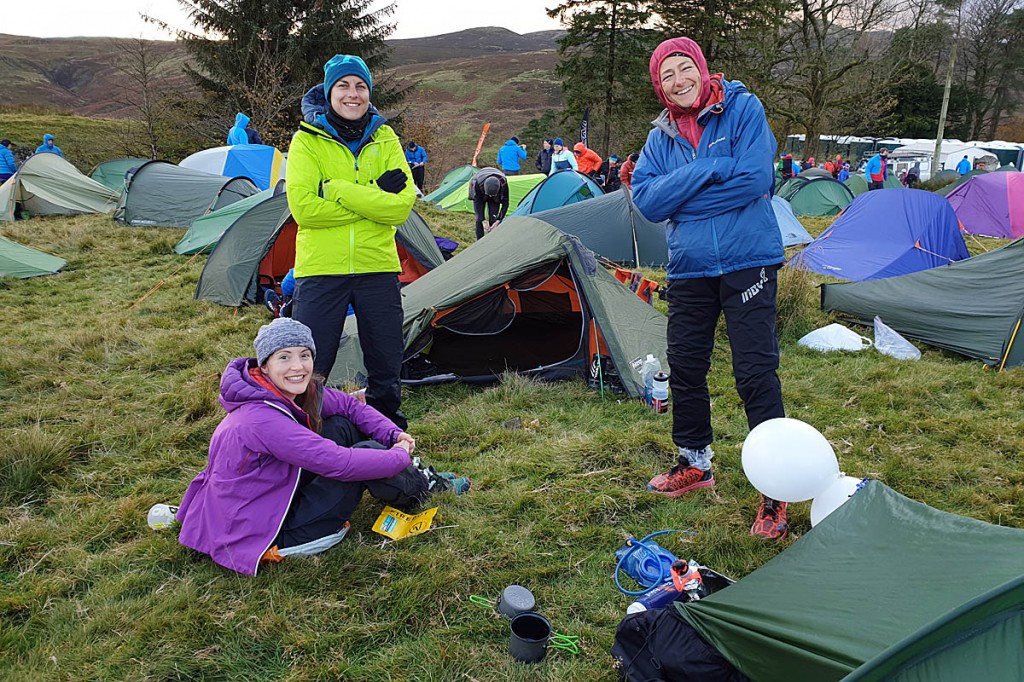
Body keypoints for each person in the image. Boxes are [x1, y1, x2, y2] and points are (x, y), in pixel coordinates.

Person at [631, 36, 789, 540]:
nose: (680, 82)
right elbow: (649, 203)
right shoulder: (660, 137)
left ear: (701, 68)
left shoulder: (742, 107)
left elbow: (754, 180)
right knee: (687, 366)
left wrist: (686, 200)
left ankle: (775, 485)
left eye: (685, 69)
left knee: (755, 372)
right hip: (690, 267)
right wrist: (706, 169)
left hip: (749, 261)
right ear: (661, 86)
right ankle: (695, 462)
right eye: (668, 76)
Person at [175, 318, 467, 576]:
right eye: (284, 357)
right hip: (266, 532)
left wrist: (393, 434)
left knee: (340, 425)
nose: (297, 366)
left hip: (270, 499)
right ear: (264, 364)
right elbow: (340, 463)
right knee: (366, 455)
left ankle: (411, 480)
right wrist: (399, 455)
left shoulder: (287, 390)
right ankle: (425, 488)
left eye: (304, 355)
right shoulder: (259, 419)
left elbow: (351, 406)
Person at [288, 53, 416, 430]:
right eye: (343, 85)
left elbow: (399, 208)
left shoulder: (385, 137)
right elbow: (305, 210)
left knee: (386, 359)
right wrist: (373, 196)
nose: (353, 94)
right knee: (311, 361)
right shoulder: (306, 140)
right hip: (321, 268)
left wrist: (339, 189)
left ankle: (387, 430)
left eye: (360, 86)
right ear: (329, 93)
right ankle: (304, 432)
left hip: (377, 264)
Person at [468, 166, 509, 240]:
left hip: (496, 192)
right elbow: (477, 203)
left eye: (492, 195)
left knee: (493, 219)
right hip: (480, 189)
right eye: (489, 195)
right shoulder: (477, 183)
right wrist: (483, 220)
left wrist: (498, 220)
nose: (490, 196)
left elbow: (505, 203)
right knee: (479, 220)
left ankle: (492, 240)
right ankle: (479, 241)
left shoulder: (504, 184)